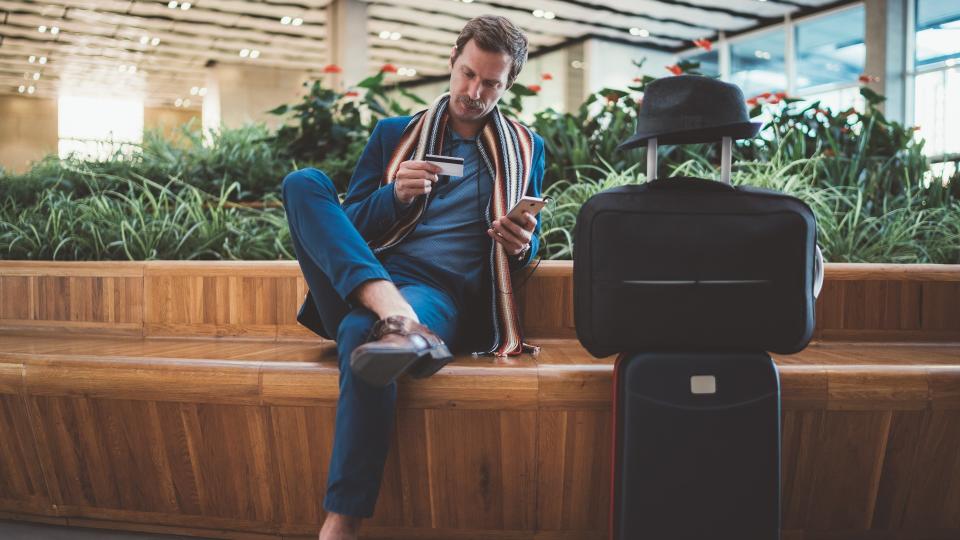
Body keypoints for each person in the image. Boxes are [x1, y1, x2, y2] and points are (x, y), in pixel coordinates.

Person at [280, 14, 544, 540]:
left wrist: (523, 242)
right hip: (370, 275)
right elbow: (347, 226)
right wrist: (392, 195)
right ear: (452, 62)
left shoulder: (527, 148)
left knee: (362, 334)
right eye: (468, 74)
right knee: (303, 183)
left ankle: (342, 522)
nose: (474, 91)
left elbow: (526, 244)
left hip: (438, 295)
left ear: (508, 84)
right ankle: (395, 315)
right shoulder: (394, 135)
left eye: (491, 82)